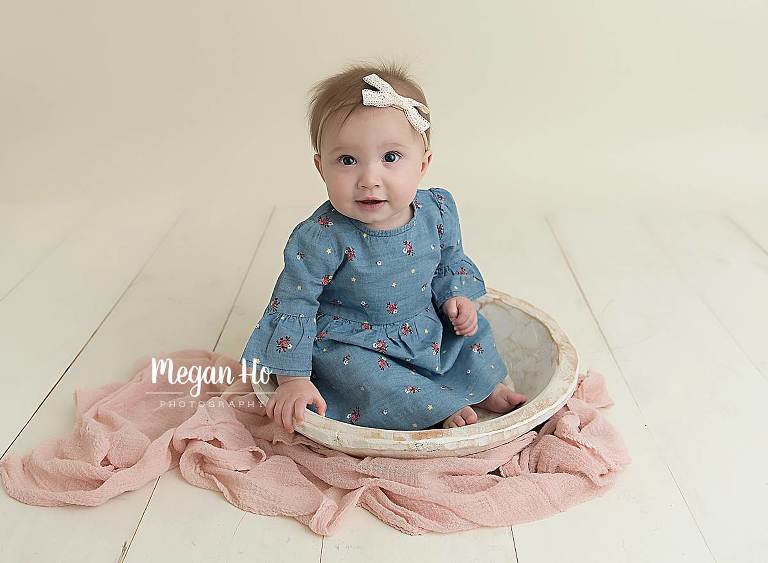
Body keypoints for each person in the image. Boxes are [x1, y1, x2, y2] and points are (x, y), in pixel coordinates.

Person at [241, 62, 527, 433]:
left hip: (424, 324)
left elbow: (448, 261)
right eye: (347, 160)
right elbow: (294, 303)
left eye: (390, 158)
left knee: (469, 332)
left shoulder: (436, 210)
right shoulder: (321, 237)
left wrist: (456, 296)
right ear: (320, 167)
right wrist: (292, 378)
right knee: (357, 372)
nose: (369, 179)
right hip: (355, 341)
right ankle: (432, 405)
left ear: (423, 163)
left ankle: (481, 386)